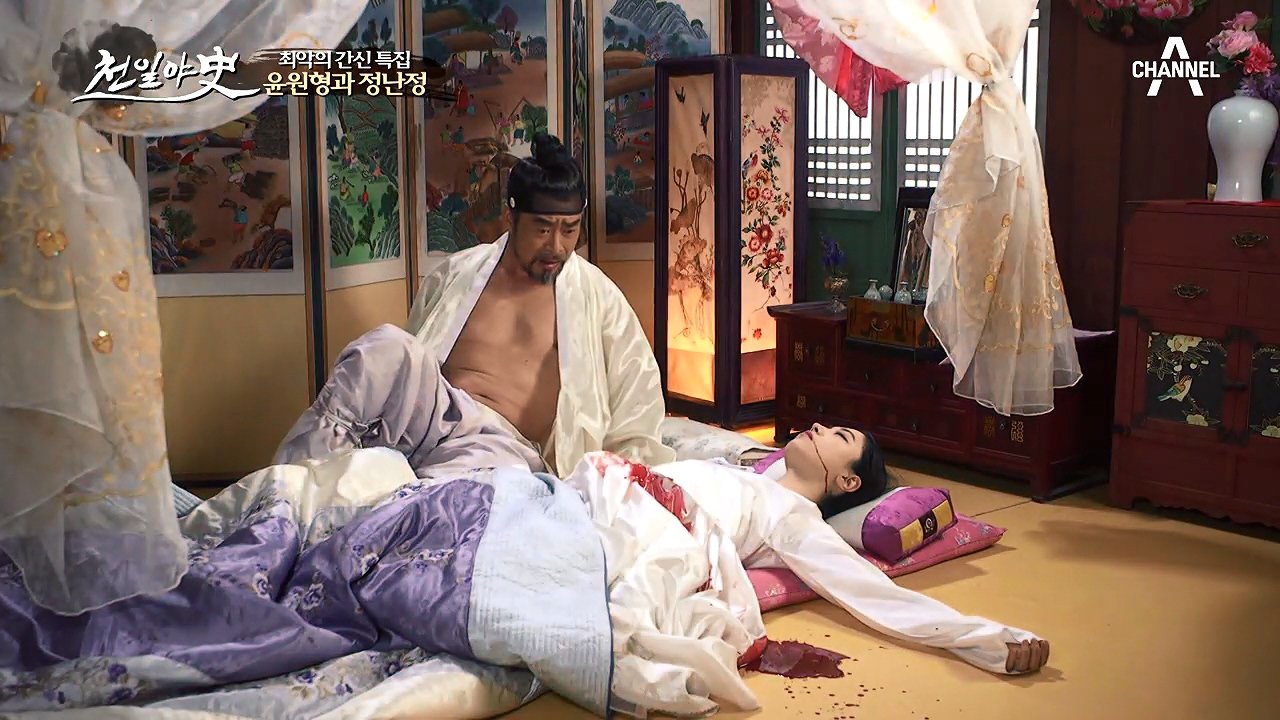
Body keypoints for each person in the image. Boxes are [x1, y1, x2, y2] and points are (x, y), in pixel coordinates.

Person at [565, 423, 1049, 713]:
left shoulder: (796, 518)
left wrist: (990, 640)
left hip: (657, 523)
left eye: (840, 435)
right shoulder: (748, 473)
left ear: (848, 481)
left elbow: (873, 593)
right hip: (613, 488)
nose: (819, 427)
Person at [407, 133, 673, 476]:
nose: (557, 247)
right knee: (382, 349)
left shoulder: (599, 298)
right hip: (431, 432)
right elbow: (411, 367)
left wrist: (618, 479)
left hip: (504, 457)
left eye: (569, 230)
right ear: (510, 218)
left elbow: (637, 401)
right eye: (542, 230)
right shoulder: (452, 277)